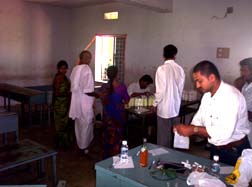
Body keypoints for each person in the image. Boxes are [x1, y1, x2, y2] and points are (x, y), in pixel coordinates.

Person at [174, 60, 251, 166]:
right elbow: (199, 119)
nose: (197, 85)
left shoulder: (231, 97)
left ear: (212, 78)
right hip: (216, 149)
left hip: (234, 151)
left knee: (234, 182)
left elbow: (223, 134)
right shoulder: (207, 96)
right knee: (214, 179)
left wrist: (193, 130)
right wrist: (184, 129)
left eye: (200, 81)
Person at [153, 44, 185, 148]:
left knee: (163, 138)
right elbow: (180, 90)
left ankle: (162, 160)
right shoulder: (180, 69)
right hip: (175, 108)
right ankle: (172, 157)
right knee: (174, 135)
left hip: (164, 109)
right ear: (175, 55)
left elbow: (160, 91)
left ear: (164, 55)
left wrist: (154, 104)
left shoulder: (161, 69)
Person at [99, 66, 130, 159]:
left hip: (107, 116)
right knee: (116, 137)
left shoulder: (103, 87)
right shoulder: (121, 87)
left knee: (107, 136)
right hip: (117, 117)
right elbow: (127, 100)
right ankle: (115, 157)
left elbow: (102, 100)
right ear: (117, 74)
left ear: (107, 75)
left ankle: (106, 156)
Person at [69, 50, 96, 154]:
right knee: (86, 125)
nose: (90, 59)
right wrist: (98, 95)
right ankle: (84, 148)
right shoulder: (86, 69)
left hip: (76, 103)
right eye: (88, 57)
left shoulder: (75, 69)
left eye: (90, 57)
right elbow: (88, 91)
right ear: (82, 58)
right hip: (85, 103)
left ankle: (79, 144)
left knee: (79, 124)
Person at [52, 60, 74, 149]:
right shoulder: (59, 78)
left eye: (65, 68)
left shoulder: (64, 77)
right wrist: (67, 93)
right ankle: (61, 143)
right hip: (60, 104)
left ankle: (64, 142)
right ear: (58, 69)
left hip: (65, 103)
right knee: (61, 124)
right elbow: (56, 93)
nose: (64, 70)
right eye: (62, 68)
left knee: (64, 123)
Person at [239, 57, 252, 144]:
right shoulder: (245, 86)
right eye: (241, 70)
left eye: (244, 70)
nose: (242, 73)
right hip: (246, 128)